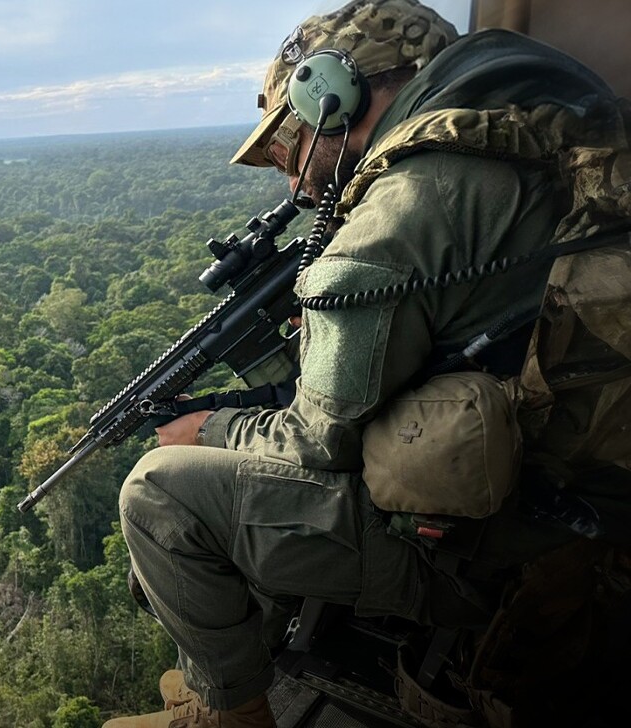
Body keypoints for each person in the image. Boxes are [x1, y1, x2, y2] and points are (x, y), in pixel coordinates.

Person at [100, 1, 628, 726]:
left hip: (518, 545)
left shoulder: (402, 210)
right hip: (593, 501)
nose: (294, 184)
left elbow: (319, 442)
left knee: (161, 494)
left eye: (289, 149)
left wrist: (207, 430)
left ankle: (226, 711)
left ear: (333, 94)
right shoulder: (542, 132)